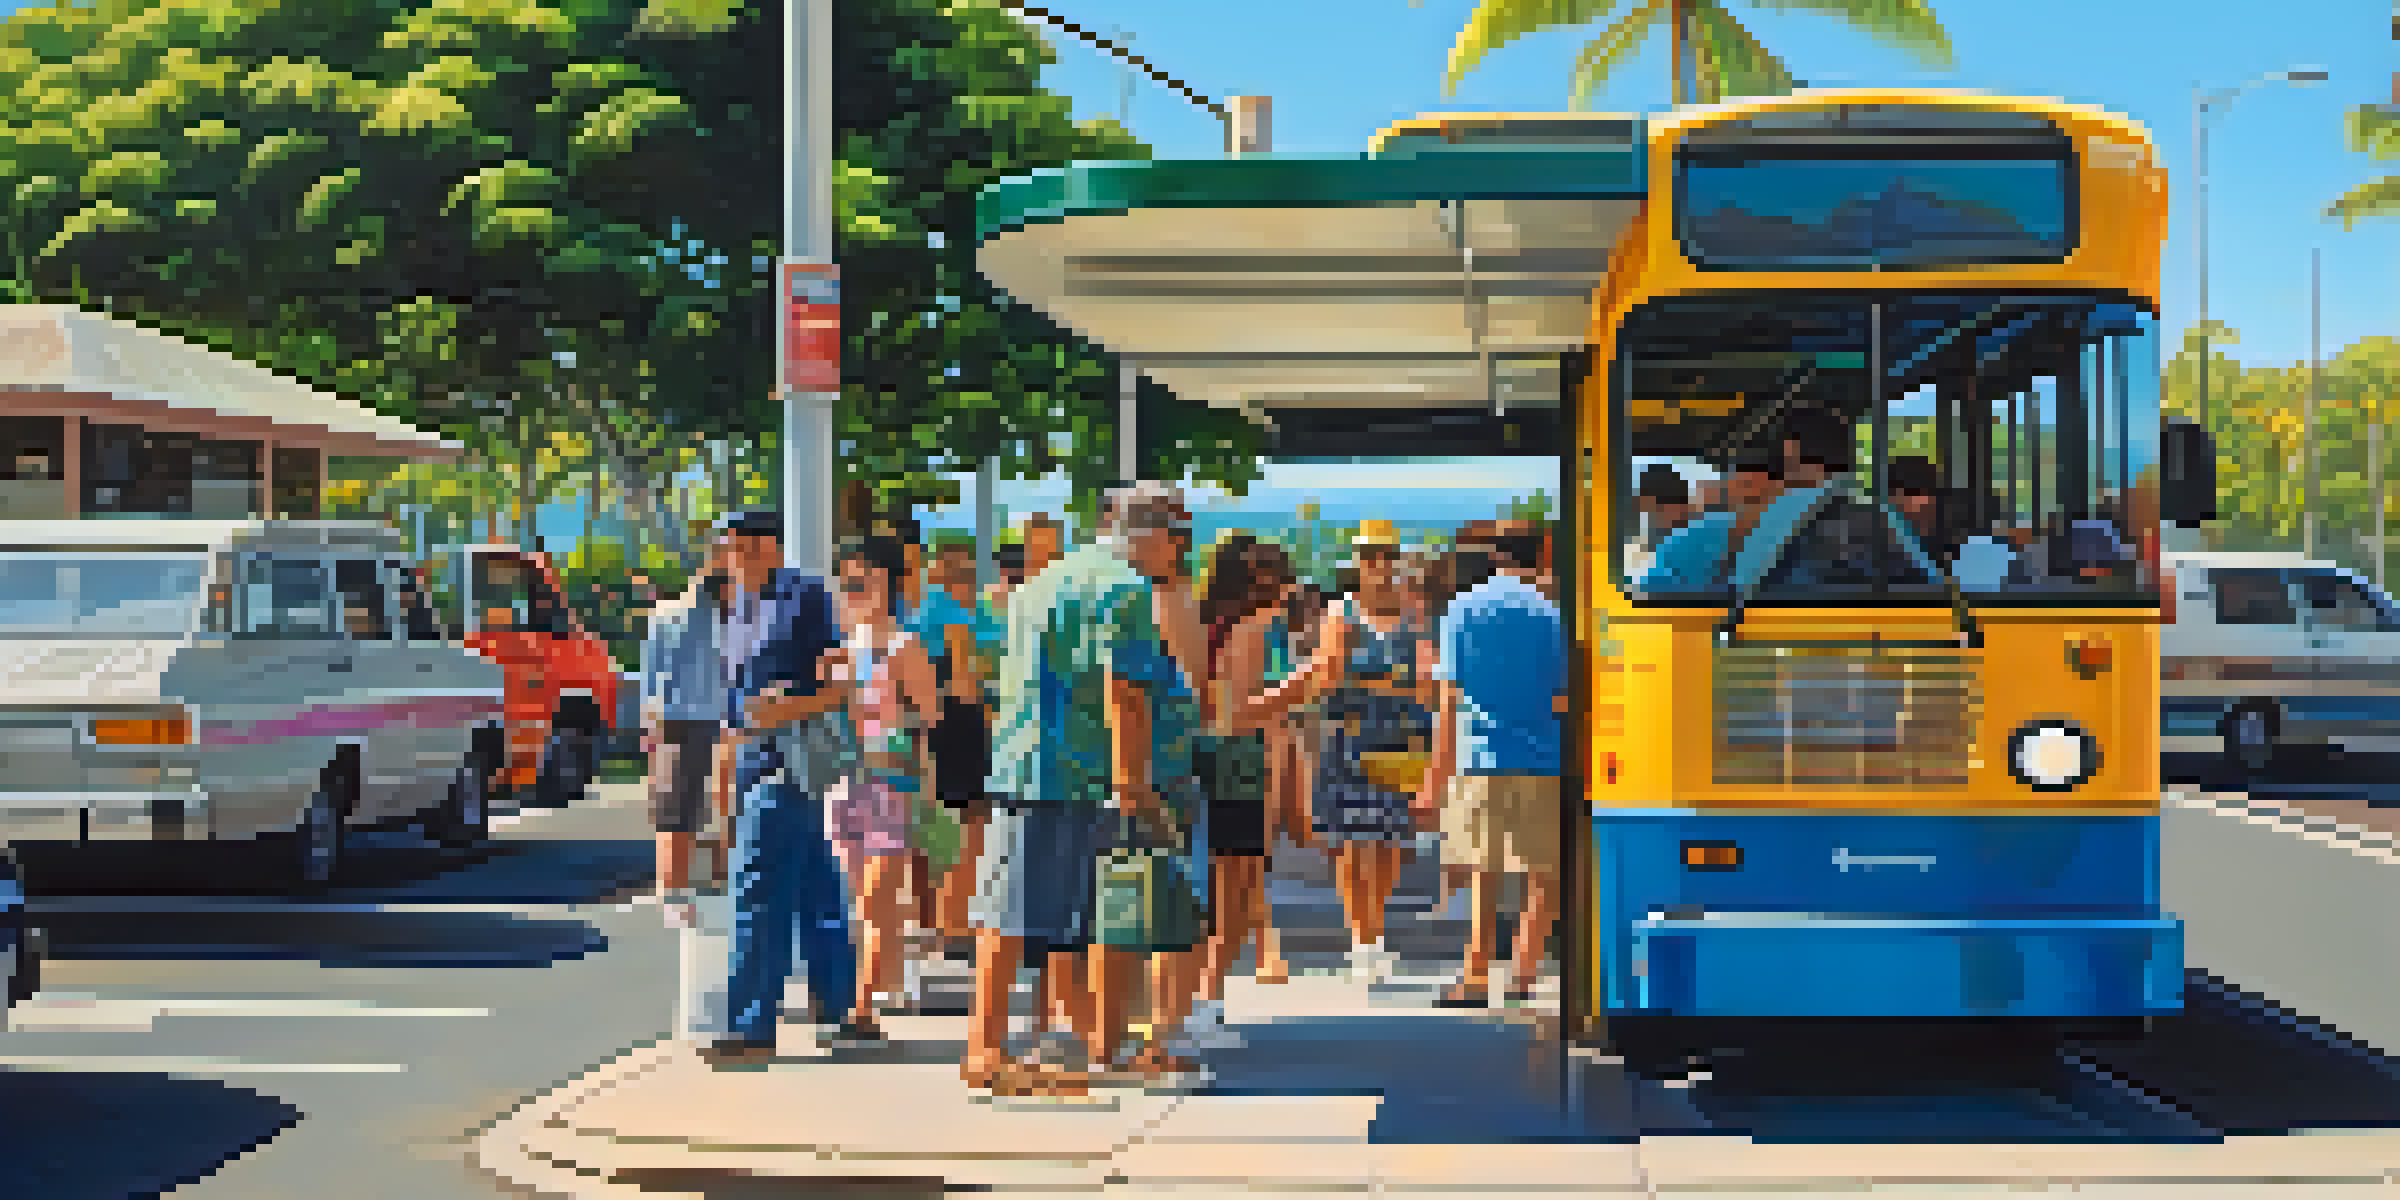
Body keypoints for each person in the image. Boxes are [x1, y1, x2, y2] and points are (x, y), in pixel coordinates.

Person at [966, 485, 1198, 1094]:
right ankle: (987, 1052)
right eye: (1178, 540)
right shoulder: (1123, 589)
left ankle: (1100, 1049)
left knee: (1064, 918)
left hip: (1030, 762)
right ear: (1150, 534)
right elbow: (1126, 690)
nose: (1179, 556)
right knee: (1026, 915)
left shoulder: (1043, 582)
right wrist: (1134, 783)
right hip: (1074, 771)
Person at [703, 510, 868, 1066]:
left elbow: (839, 683)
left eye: (750, 546)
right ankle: (841, 1009)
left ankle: (750, 1027)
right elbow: (729, 685)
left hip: (787, 759)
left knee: (756, 892)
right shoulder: (727, 600)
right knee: (816, 889)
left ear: (774, 546)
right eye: (731, 547)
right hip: (753, 757)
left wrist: (786, 706)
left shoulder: (806, 596)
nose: (739, 556)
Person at [1237, 519, 1433, 986]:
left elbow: (1426, 682)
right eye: (1370, 556)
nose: (1379, 565)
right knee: (1350, 841)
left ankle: (1375, 934)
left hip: (1399, 739)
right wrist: (1389, 683)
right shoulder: (1341, 614)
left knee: (1388, 840)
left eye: (1386, 555)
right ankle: (1361, 941)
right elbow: (1324, 678)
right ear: (1358, 563)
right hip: (1349, 737)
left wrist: (1376, 683)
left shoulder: (1412, 614)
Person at [1422, 522, 1564, 1010]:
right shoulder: (1555, 614)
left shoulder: (1460, 610)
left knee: (1482, 868)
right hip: (1545, 754)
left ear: (1495, 556)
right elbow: (1566, 694)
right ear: (1543, 554)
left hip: (1477, 755)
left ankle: (1477, 974)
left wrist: (1433, 776)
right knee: (1543, 872)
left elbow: (1448, 698)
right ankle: (1525, 972)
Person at [825, 535, 942, 1036]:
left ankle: (862, 1008)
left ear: (886, 584)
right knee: (852, 901)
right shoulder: (836, 650)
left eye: (863, 580)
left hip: (889, 782)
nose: (854, 591)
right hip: (839, 782)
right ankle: (881, 984)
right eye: (847, 583)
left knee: (875, 898)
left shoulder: (904, 645)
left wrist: (895, 720)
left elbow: (932, 716)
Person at [1189, 536, 1297, 1045]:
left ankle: (1197, 1002)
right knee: (1236, 889)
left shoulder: (1204, 626)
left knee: (1215, 886)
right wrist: (1306, 685)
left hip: (1203, 759)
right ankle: (1207, 1004)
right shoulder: (1254, 631)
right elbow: (1241, 714)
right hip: (1240, 761)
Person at [914, 535, 1006, 960]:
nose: (961, 578)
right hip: (957, 726)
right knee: (961, 831)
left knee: (962, 830)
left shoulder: (967, 612)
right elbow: (964, 681)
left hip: (960, 727)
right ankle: (954, 928)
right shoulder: (946, 615)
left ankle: (952, 925)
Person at [638, 543, 729, 928]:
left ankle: (672, 891)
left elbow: (649, 683)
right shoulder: (729, 614)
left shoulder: (665, 614)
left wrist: (650, 729)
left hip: (676, 718)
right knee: (720, 806)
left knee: (678, 810)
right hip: (715, 718)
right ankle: (717, 884)